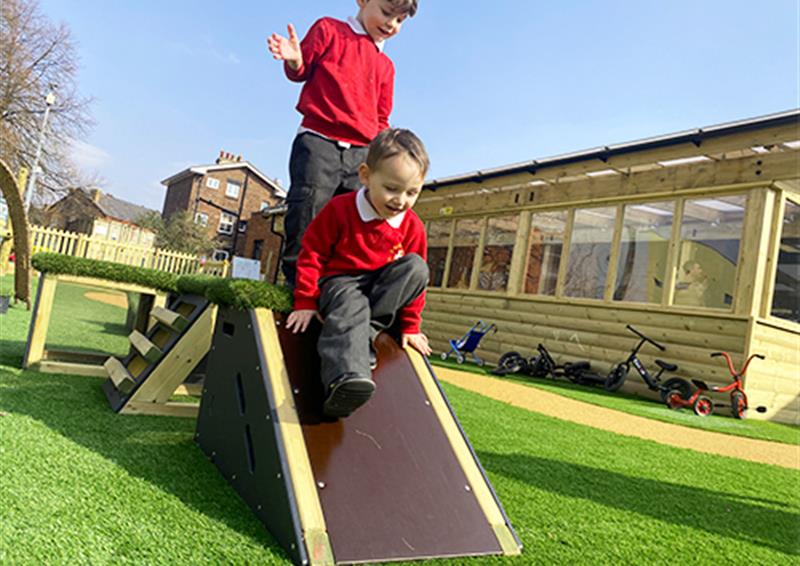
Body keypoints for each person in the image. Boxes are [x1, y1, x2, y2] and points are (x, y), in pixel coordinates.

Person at [267, 0, 419, 288]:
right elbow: (301, 70)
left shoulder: (386, 66)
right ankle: (299, 284)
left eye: (400, 21)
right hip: (319, 141)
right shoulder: (329, 29)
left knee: (354, 218)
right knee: (308, 209)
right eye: (387, 13)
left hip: (362, 153)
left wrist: (384, 155)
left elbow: (381, 118)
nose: (391, 24)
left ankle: (340, 282)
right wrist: (295, 59)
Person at [285, 128, 432, 418]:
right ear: (365, 176)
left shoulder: (412, 225)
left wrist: (411, 326)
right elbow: (311, 254)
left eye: (412, 192)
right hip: (341, 282)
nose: (400, 200)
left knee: (416, 267)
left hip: (381, 290)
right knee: (351, 303)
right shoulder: (340, 209)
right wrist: (305, 301)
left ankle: (367, 329)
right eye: (391, 188)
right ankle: (346, 379)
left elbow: (417, 285)